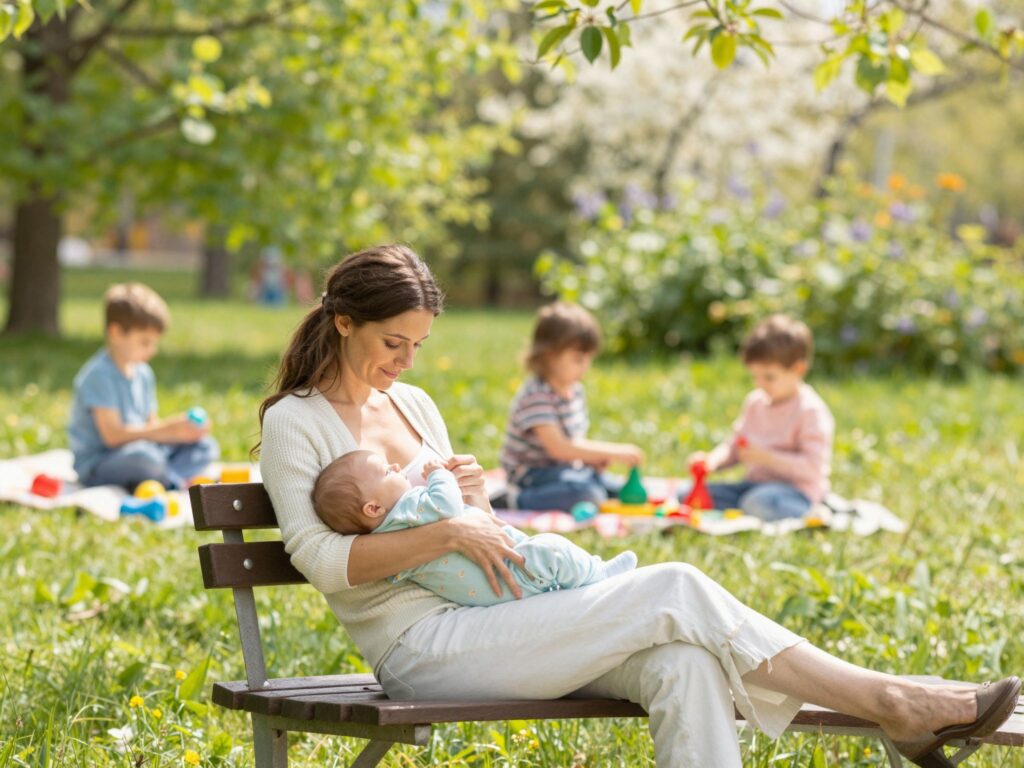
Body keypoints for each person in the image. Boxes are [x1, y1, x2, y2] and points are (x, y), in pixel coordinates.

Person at [258, 244, 1019, 767]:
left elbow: (465, 520)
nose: (405, 362)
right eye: (394, 342)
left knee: (682, 660)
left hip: (502, 616)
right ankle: (893, 701)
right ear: (344, 321)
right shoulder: (297, 421)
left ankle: (900, 705)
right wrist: (450, 529)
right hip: (425, 649)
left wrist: (474, 507)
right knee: (676, 585)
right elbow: (327, 564)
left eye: (418, 345)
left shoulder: (415, 404)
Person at [312, 449, 637, 606]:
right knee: (551, 548)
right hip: (511, 574)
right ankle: (598, 576)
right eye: (386, 471)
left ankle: (591, 575)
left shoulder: (392, 535)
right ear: (373, 508)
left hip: (497, 586)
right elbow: (448, 506)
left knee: (546, 553)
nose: (396, 466)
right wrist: (438, 474)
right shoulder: (410, 509)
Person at [68, 283, 219, 490]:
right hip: (102, 462)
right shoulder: (99, 376)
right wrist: (167, 429)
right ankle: (172, 480)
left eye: (154, 343)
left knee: (206, 446)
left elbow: (151, 426)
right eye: (144, 342)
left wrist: (178, 433)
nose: (152, 350)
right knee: (145, 458)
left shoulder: (143, 373)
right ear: (116, 333)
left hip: (144, 449)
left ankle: (164, 477)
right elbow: (113, 436)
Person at [498, 301, 645, 511]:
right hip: (531, 475)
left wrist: (591, 459)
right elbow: (559, 448)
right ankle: (515, 500)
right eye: (577, 359)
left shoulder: (574, 390)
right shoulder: (537, 395)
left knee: (608, 486)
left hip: (561, 469)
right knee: (586, 493)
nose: (585, 367)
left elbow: (573, 441)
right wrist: (614, 452)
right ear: (549, 356)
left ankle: (591, 490)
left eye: (588, 359)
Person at [687, 314, 834, 522]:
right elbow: (736, 446)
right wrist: (712, 461)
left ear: (798, 369)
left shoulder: (810, 411)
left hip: (795, 492)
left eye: (769, 377)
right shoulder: (756, 403)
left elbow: (812, 468)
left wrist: (766, 458)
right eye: (755, 376)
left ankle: (813, 514)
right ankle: (749, 511)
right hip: (752, 486)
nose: (760, 384)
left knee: (758, 502)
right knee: (689, 496)